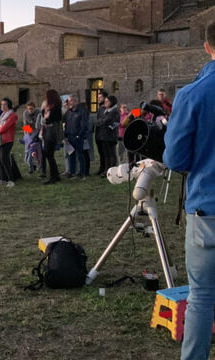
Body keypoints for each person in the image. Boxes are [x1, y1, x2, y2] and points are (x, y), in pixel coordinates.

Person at [163, 22, 215, 360]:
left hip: (207, 210)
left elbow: (176, 159)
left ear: (208, 46)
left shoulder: (193, 94)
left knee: (201, 297)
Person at [0, 98, 18, 188]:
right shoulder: (2, 115)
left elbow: (4, 128)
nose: (2, 106)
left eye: (5, 104)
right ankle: (2, 178)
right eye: (1, 104)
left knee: (4, 159)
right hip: (0, 140)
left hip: (7, 140)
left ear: (9, 105)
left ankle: (11, 179)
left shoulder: (12, 115)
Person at [39, 90, 62, 184]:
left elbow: (48, 120)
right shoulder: (51, 107)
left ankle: (53, 176)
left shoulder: (55, 108)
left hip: (51, 133)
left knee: (49, 155)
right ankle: (55, 175)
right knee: (48, 155)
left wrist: (45, 115)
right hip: (46, 132)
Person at [64, 95, 87, 179]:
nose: (70, 103)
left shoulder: (81, 112)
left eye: (71, 101)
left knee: (80, 155)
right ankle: (72, 171)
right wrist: (65, 134)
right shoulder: (68, 112)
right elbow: (65, 123)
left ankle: (82, 172)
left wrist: (79, 135)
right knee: (71, 155)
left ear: (76, 102)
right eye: (69, 101)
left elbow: (83, 125)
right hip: (69, 136)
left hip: (78, 136)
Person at [95, 95, 120, 176]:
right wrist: (102, 122)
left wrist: (103, 123)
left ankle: (112, 170)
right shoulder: (105, 111)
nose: (105, 103)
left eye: (107, 101)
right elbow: (99, 121)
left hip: (110, 136)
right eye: (105, 101)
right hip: (103, 136)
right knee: (106, 154)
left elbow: (111, 122)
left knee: (111, 154)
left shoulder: (115, 111)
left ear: (112, 102)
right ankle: (106, 170)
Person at [94, 90, 108, 176]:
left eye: (100, 97)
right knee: (101, 152)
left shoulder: (106, 109)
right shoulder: (100, 108)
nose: (98, 99)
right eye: (98, 97)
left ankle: (105, 169)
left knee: (105, 153)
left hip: (103, 133)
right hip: (98, 133)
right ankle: (101, 167)